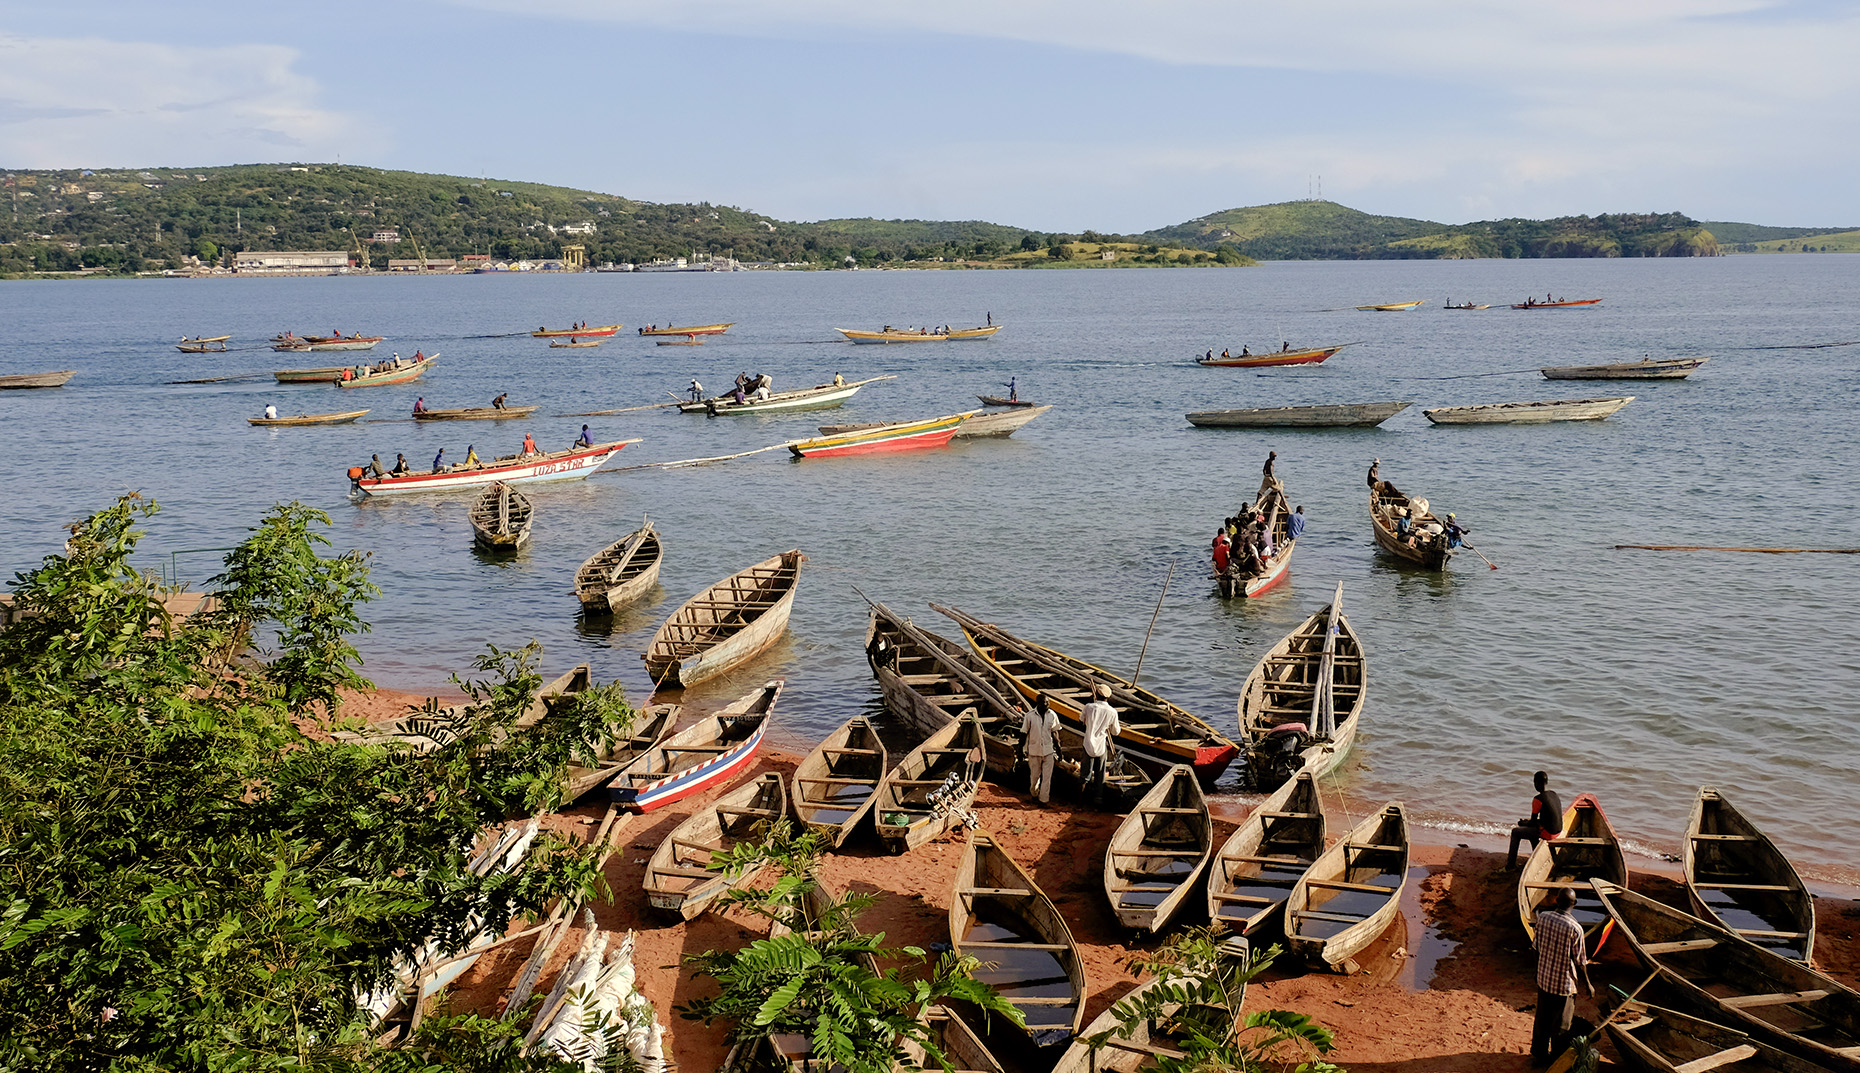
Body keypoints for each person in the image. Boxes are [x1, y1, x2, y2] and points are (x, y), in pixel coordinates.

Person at [1531, 886, 1593, 1066]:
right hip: (1563, 986)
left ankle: (1539, 1055)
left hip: (1544, 980)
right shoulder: (1575, 929)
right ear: (1575, 904)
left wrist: (1537, 971)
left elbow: (1535, 948)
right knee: (1562, 1026)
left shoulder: (1543, 919)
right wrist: (1588, 984)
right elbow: (1581, 962)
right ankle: (1556, 1060)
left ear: (1557, 900)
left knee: (1542, 1019)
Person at [1509, 771, 1565, 868]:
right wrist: (1527, 822)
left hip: (1549, 833)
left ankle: (1510, 865)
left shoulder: (1538, 799)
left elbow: (1533, 822)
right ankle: (1535, 856)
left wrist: (1523, 823)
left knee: (1515, 832)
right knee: (1533, 830)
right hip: (1558, 830)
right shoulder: (1554, 794)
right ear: (1546, 782)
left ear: (1537, 783)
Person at [1079, 683, 1120, 805]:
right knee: (1100, 775)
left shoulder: (1088, 707)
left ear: (1095, 694)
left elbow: (1081, 722)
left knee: (1084, 775)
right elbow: (1115, 732)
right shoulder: (1112, 712)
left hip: (1087, 744)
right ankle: (1098, 801)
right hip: (1101, 746)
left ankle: (1081, 801)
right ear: (1108, 697)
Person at [1022, 694, 1059, 805]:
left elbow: (1055, 733)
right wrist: (1020, 750)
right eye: (1045, 703)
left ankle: (1043, 800)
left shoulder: (1052, 715)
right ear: (1038, 703)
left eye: (1048, 702)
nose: (1047, 705)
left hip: (1048, 751)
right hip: (1034, 751)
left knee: (1047, 778)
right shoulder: (1029, 716)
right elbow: (1023, 733)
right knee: (1034, 777)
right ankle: (1034, 794)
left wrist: (1059, 750)